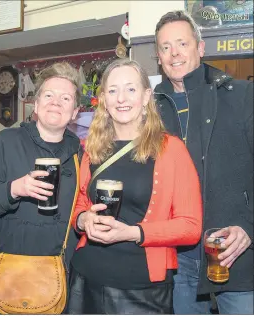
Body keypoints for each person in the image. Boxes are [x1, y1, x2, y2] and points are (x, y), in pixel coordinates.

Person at [67, 58, 203, 314]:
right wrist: (84, 220)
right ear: (104, 100)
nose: (121, 98)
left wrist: (132, 233)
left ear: (145, 96)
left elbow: (191, 227)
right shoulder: (93, 149)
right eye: (113, 90)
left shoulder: (171, 149)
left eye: (130, 89)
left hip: (142, 288)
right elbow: (80, 204)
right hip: (86, 279)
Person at [154, 10, 253, 314]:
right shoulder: (150, 110)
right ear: (158, 56)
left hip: (233, 252)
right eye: (165, 47)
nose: (174, 54)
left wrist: (250, 226)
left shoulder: (241, 95)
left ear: (200, 47)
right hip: (177, 258)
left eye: (182, 44)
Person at [0, 62, 81, 313]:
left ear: (75, 112)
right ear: (36, 105)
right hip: (2, 276)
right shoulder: (6, 141)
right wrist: (13, 190)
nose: (56, 102)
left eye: (66, 98)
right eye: (48, 95)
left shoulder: (82, 156)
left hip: (57, 280)